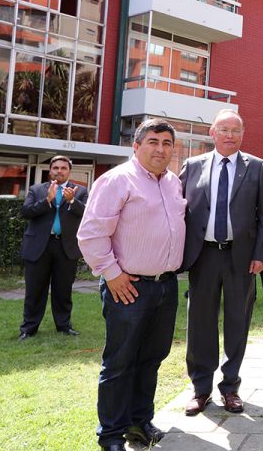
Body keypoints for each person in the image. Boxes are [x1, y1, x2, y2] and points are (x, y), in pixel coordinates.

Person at [77, 119, 186, 451]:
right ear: (136, 146)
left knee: (152, 358)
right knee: (120, 362)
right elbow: (92, 234)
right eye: (152, 141)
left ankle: (140, 422)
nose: (160, 148)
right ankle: (111, 434)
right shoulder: (115, 180)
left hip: (165, 286)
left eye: (167, 143)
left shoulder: (172, 183)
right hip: (128, 287)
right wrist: (111, 274)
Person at [180, 109, 263, 416]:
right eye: (224, 129)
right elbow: (178, 211)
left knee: (237, 322)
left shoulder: (257, 168)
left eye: (236, 130)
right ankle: (201, 389)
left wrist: (261, 254)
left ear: (242, 135)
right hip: (203, 256)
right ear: (212, 133)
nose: (230, 135)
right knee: (200, 324)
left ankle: (230, 387)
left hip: (241, 258)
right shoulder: (191, 167)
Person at [17, 155, 88, 340]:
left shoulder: (79, 191)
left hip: (66, 247)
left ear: (69, 172)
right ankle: (28, 329)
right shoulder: (36, 189)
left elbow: (88, 214)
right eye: (56, 168)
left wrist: (73, 201)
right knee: (34, 290)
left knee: (63, 290)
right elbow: (26, 212)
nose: (59, 171)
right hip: (39, 246)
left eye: (63, 168)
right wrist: (46, 201)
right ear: (50, 170)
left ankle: (64, 326)